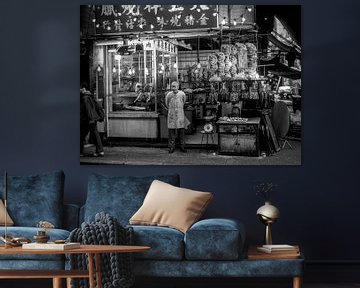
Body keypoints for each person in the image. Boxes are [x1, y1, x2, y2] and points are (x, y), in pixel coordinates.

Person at [80, 88, 104, 157]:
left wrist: (91, 119)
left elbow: (88, 110)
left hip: (88, 119)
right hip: (91, 119)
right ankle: (100, 151)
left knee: (82, 135)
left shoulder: (85, 98)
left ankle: (99, 151)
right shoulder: (90, 97)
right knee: (94, 134)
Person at [165, 81, 187, 153]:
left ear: (178, 87)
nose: (173, 88)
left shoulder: (182, 94)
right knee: (171, 132)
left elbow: (184, 101)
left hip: (180, 114)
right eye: (172, 86)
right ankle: (171, 147)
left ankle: (182, 146)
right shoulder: (169, 95)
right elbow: (167, 103)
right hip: (171, 114)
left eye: (175, 86)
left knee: (181, 132)